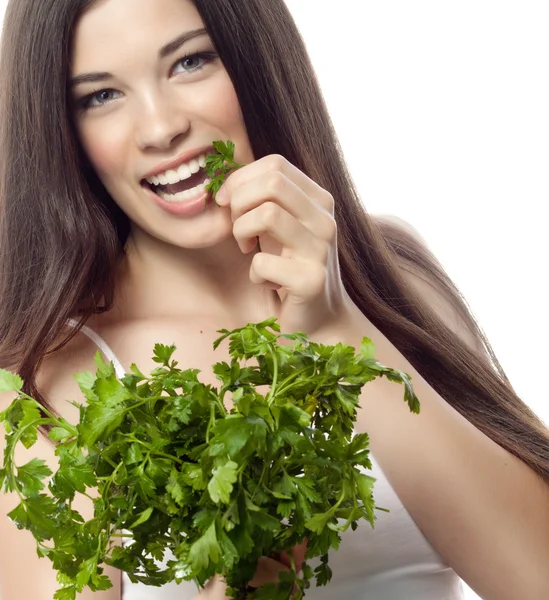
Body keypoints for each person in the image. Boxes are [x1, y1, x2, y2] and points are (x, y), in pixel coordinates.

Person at [0, 0, 548, 598]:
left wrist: (339, 327)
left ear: (255, 60)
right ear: (63, 130)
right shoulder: (40, 383)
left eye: (189, 61)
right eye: (100, 96)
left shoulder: (398, 275)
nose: (160, 129)